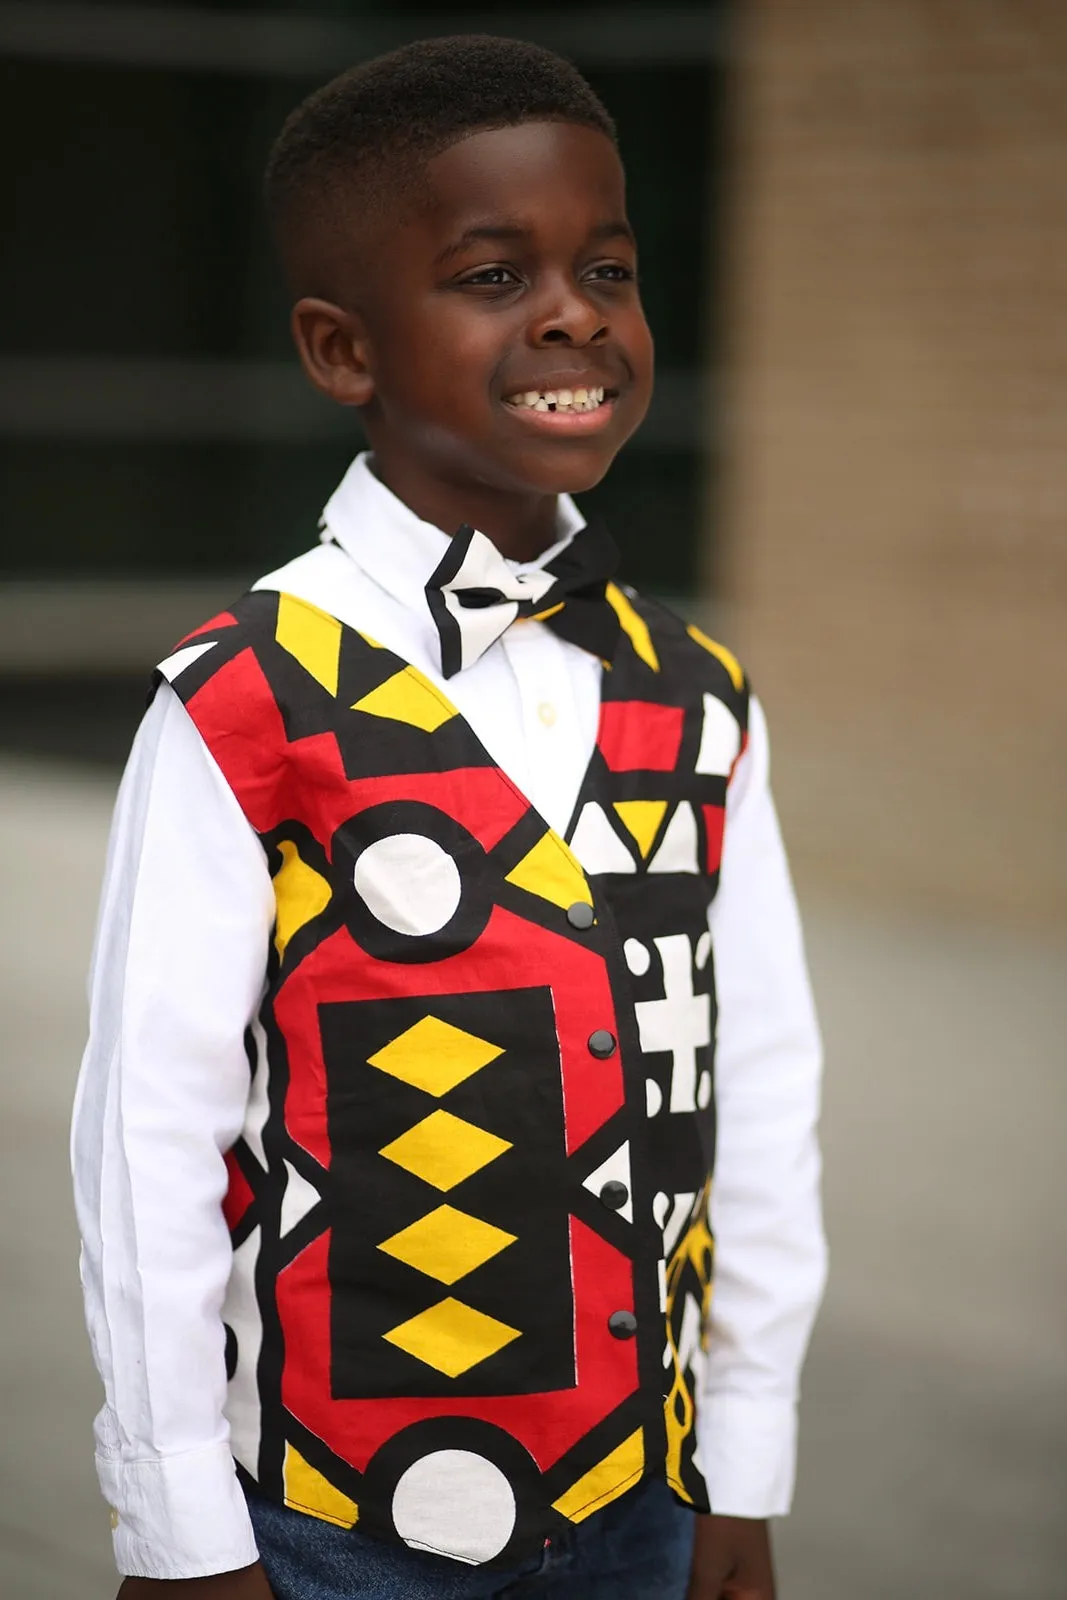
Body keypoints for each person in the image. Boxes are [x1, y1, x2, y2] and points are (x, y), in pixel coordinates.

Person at [72, 35, 826, 1600]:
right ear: (343, 353)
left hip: (648, 1502)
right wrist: (177, 1526)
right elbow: (149, 1146)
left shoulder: (700, 697)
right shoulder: (242, 700)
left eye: (606, 267)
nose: (571, 311)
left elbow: (757, 1095)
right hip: (342, 1530)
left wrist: (740, 1464)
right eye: (492, 274)